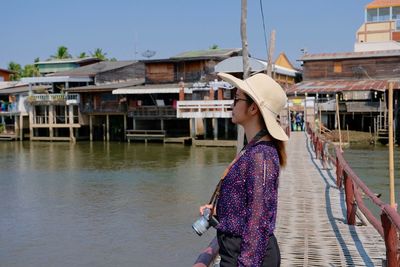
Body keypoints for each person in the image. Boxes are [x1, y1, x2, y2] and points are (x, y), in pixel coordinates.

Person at [199, 73, 288, 267]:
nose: (233, 104)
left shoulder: (261, 155)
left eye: (237, 98)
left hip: (247, 256)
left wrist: (246, 263)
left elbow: (259, 220)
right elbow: (247, 202)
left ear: (253, 108)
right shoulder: (253, 149)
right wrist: (219, 210)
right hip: (238, 251)